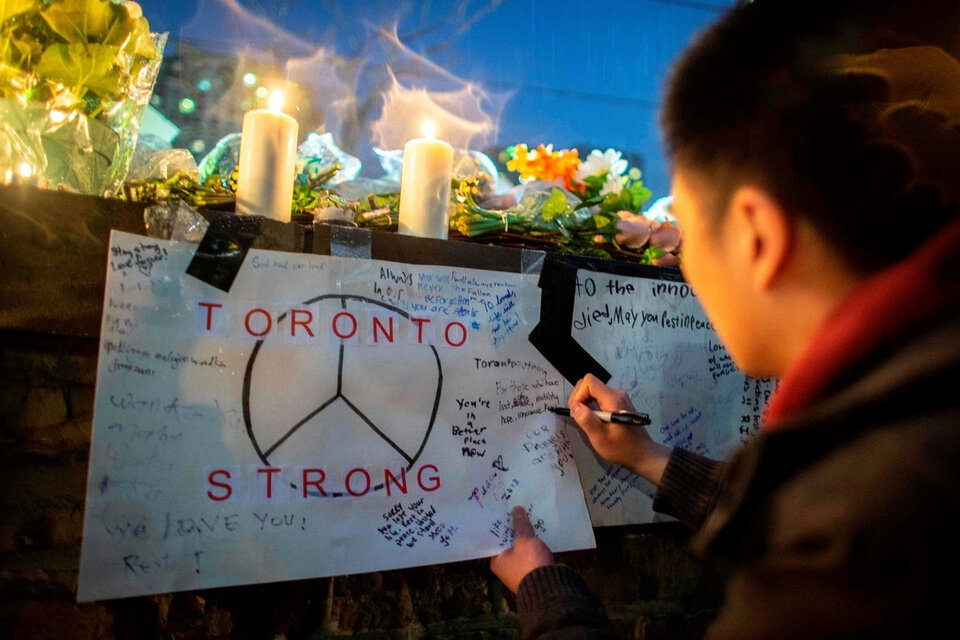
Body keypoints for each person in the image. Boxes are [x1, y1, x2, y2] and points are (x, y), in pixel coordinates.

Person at [490, 0, 960, 637]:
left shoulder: (860, 536)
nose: (682, 261)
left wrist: (547, 594)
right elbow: (781, 513)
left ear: (757, 237)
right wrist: (650, 458)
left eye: (686, 228)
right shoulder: (915, 407)